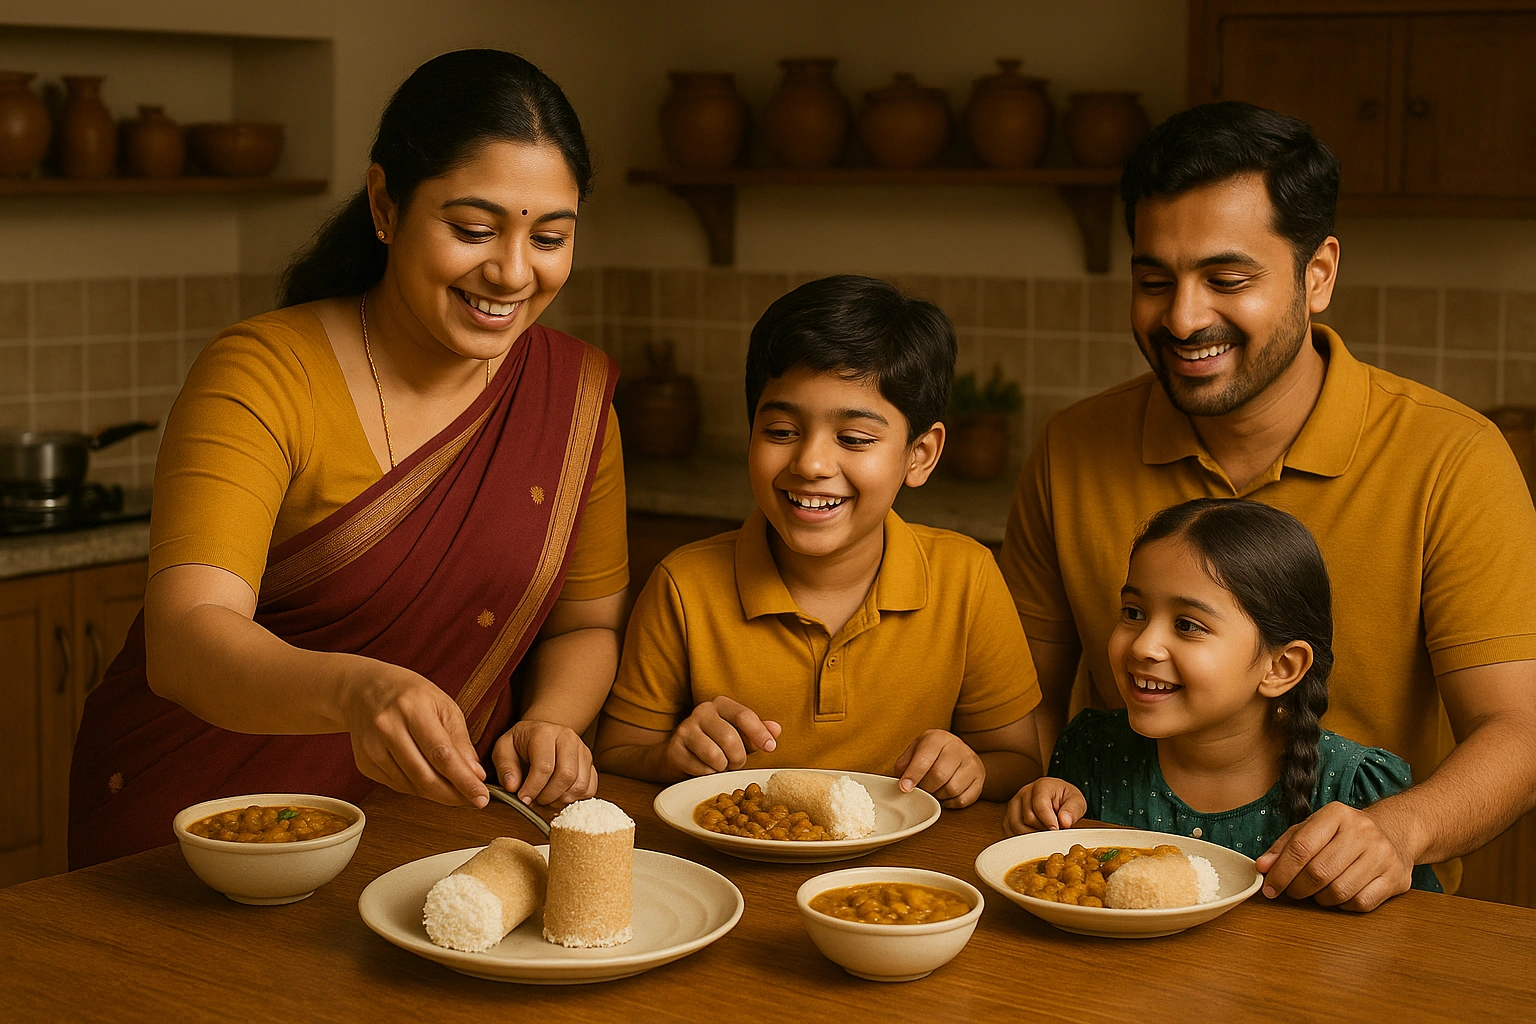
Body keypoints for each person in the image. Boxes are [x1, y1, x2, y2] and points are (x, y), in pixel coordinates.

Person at [69, 50, 628, 868]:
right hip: (208, 827)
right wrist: (358, 690)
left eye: (549, 238)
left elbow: (587, 622)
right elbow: (187, 636)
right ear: (385, 205)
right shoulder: (263, 371)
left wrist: (553, 719)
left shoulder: (571, 397)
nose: (513, 272)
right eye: (473, 229)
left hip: (430, 832)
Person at [1001, 100, 1536, 908]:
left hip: (1347, 922)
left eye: (1227, 279)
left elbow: (1520, 733)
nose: (1183, 319)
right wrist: (1022, 781)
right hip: (1111, 916)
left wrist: (1398, 830)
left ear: (1317, 273)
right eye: (1154, 281)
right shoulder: (1070, 448)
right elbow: (1021, 708)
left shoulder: (1453, 459)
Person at [594, 276, 1042, 806]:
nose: (810, 464)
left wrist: (969, 770)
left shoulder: (966, 576)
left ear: (919, 455)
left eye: (854, 439)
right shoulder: (683, 586)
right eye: (781, 431)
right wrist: (670, 755)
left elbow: (1017, 761)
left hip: (901, 878)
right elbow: (618, 752)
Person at [1006, 499, 1442, 901]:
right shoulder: (1090, 751)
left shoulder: (1354, 790)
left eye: (1188, 625)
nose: (1143, 646)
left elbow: (1419, 932)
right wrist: (1042, 814)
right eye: (1134, 613)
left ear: (1281, 667)